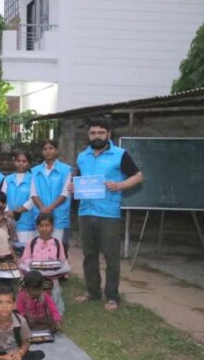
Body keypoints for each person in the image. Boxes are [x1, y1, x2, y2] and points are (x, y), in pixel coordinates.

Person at [71, 118, 143, 311]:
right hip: (85, 212)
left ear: (108, 134)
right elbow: (79, 180)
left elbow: (138, 176)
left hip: (109, 214)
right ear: (88, 135)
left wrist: (119, 185)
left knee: (111, 257)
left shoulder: (120, 155)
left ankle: (112, 296)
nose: (97, 136)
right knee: (89, 255)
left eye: (101, 132)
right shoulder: (82, 156)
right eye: (93, 133)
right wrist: (73, 187)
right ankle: (92, 292)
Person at [19, 213, 70, 314]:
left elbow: (62, 261)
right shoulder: (32, 242)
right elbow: (25, 260)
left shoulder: (57, 243)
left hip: (52, 278)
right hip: (35, 278)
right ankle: (32, 311)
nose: (44, 229)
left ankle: (53, 313)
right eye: (41, 226)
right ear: (37, 227)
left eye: (47, 225)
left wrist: (63, 271)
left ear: (52, 227)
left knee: (52, 297)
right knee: (32, 297)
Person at [31, 140, 72, 242]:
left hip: (58, 214)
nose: (48, 151)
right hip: (41, 213)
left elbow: (65, 193)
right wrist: (43, 208)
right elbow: (33, 193)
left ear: (56, 150)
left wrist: (49, 208)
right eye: (45, 149)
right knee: (40, 245)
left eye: (51, 148)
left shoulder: (65, 170)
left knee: (57, 245)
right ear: (42, 152)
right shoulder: (35, 170)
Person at [2, 150, 36, 245]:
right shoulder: (7, 179)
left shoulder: (33, 179)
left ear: (29, 163)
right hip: (8, 221)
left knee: (25, 248)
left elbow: (33, 199)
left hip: (27, 222)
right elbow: (3, 197)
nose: (21, 163)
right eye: (18, 161)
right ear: (14, 162)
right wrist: (7, 211)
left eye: (24, 161)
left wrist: (17, 211)